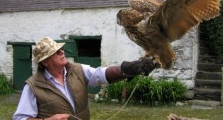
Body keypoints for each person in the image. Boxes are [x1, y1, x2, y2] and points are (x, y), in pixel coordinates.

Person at [13, 37, 158, 120]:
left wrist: (130, 68)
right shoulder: (33, 86)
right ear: (45, 62)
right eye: (56, 52)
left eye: (61, 49)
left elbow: (100, 75)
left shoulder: (77, 69)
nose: (62, 51)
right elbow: (20, 118)